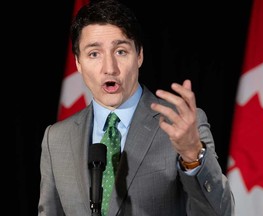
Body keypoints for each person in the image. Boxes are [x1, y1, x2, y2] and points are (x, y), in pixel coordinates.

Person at [38, 0, 235, 215]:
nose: (109, 68)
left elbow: (221, 212)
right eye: (94, 54)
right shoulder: (56, 139)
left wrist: (192, 156)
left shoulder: (181, 125)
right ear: (78, 63)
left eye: (121, 51)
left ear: (139, 55)